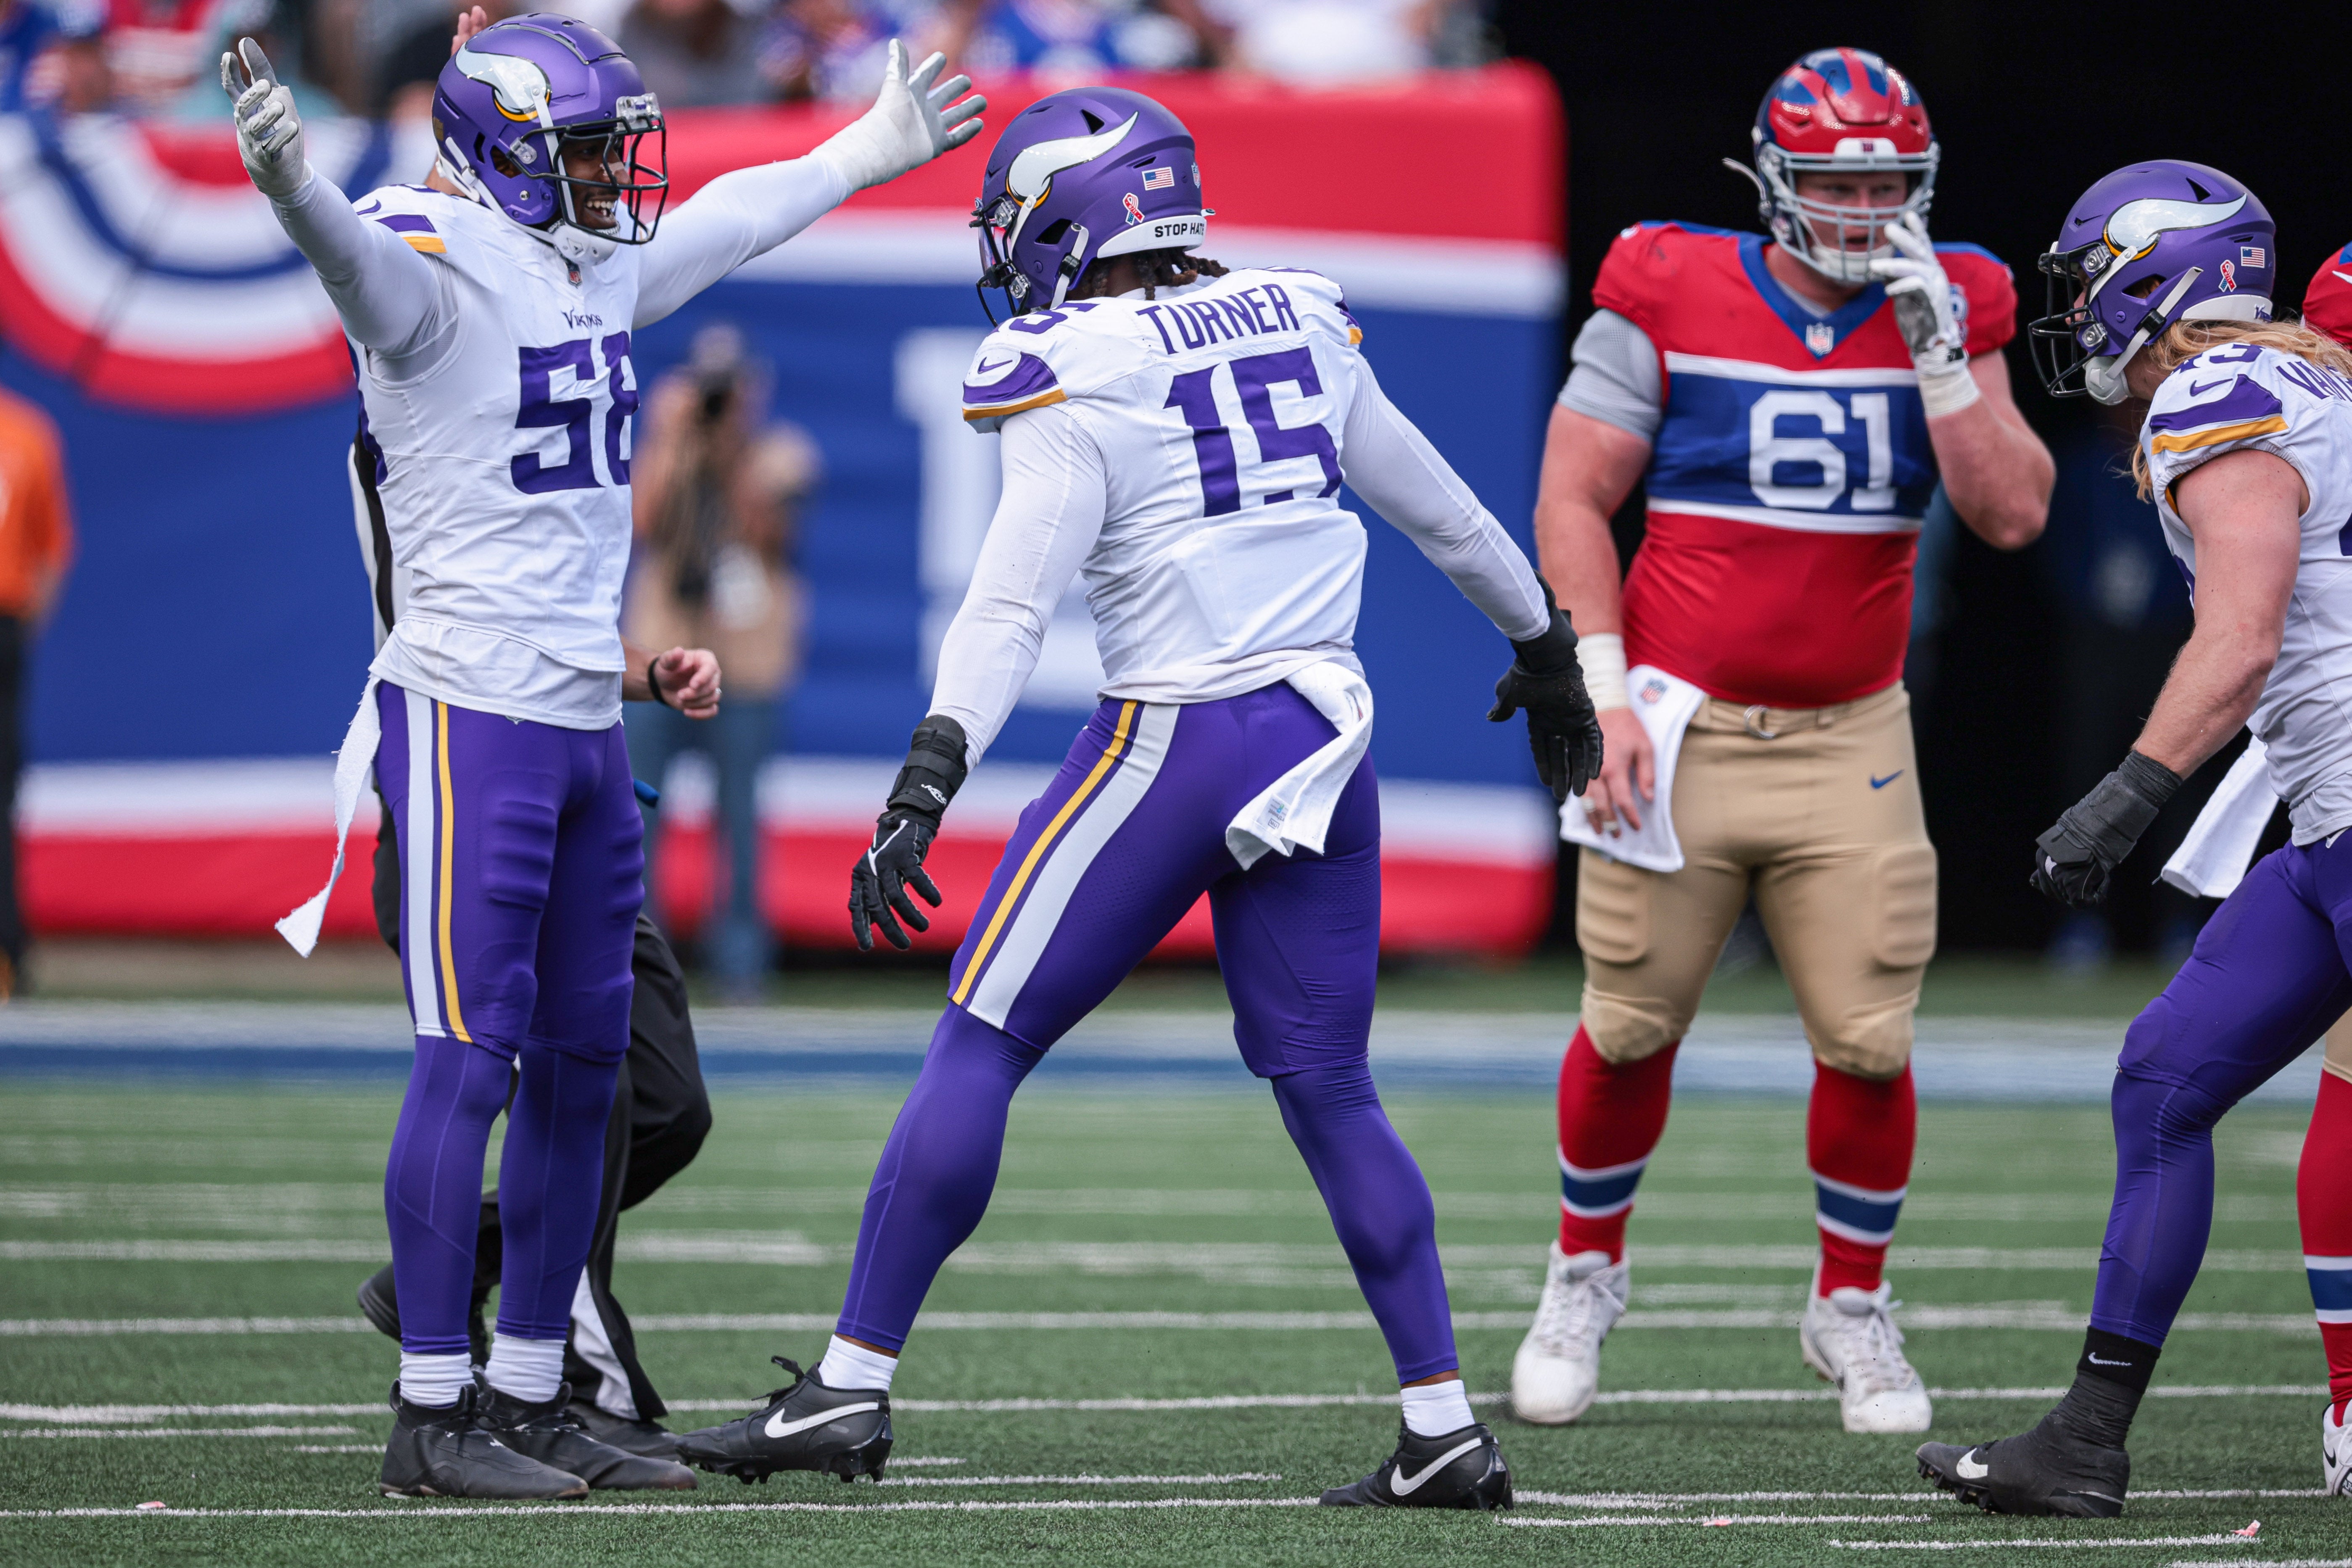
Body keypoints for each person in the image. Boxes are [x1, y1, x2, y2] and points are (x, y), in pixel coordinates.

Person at [673, 82, 1601, 1510]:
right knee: (1329, 1084)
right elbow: (1438, 507)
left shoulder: (1074, 360)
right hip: (1322, 736)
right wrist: (1542, 647)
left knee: (982, 1030)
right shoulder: (1294, 311)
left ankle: (849, 1392)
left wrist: (929, 772)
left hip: (1175, 736)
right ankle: (1440, 1424)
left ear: (1066, 214)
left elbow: (1007, 598)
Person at [227, 9, 983, 1497]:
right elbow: (356, 269)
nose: (615, 184)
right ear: (501, 157)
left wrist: (872, 147)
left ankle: (530, 1394)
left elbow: (733, 215)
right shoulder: (426, 267)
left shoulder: (586, 264)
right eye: (583, 158)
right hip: (464, 720)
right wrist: (292, 189)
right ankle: (430, 1414)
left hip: (581, 718)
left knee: (587, 1073)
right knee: (468, 1062)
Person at [1510, 46, 2053, 1436]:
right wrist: (1601, 687)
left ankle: (1850, 1306)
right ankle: (1582, 1274)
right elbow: (1573, 497)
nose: (1867, 209)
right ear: (1771, 182)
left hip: (1849, 735)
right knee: (1627, 1022)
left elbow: (2009, 512)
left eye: (1889, 182)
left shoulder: (1958, 294)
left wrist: (1939, 347)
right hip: (1671, 723)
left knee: (1867, 1036)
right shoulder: (1666, 281)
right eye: (1837, 181)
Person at [1915, 160, 2352, 1515]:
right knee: (2164, 1076)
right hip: (2334, 827)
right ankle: (2086, 1438)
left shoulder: (2223, 393)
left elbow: (2240, 634)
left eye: (2089, 274)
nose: (2080, 310)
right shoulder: (2314, 383)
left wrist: (2128, 789)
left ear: (2158, 274)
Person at [347, 370, 716, 1462]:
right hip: (477, 779)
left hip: (575, 782)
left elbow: (548, 605)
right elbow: (480, 621)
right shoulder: (428, 403)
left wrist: (641, 671)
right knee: (499, 1079)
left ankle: (499, 1323)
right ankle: (503, 1391)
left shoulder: (535, 365)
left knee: (656, 1101)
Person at [623, 325, 816, 999]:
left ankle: (740, 968)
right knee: (641, 816)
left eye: (730, 389)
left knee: (738, 818)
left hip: (748, 668)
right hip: (663, 665)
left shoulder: (781, 454)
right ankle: (639, 963)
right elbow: (646, 523)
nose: (720, 403)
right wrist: (674, 438)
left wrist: (729, 449)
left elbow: (773, 532)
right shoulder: (668, 449)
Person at [0, 377, 73, 1000]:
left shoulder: (26, 432)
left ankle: (7, 948)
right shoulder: (28, 432)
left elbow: (50, 550)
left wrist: (20, 632)